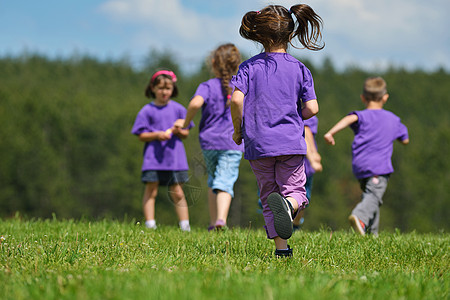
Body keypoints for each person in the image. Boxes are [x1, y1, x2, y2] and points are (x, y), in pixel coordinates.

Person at [230, 4, 324, 257]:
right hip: (290, 142)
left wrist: (238, 130)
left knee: (268, 196)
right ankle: (289, 204)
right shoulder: (299, 68)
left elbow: (236, 100)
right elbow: (313, 109)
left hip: (258, 144)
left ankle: (282, 250)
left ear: (260, 35)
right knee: (296, 193)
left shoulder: (249, 67)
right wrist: (295, 115)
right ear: (291, 34)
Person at [324, 76, 409, 235]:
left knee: (372, 197)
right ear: (385, 97)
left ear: (363, 98)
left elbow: (349, 118)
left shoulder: (361, 116)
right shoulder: (393, 119)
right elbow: (405, 140)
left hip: (360, 166)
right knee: (373, 197)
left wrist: (330, 133)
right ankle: (360, 217)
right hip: (379, 168)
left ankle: (371, 235)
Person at [174, 44, 243, 231]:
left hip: (209, 143)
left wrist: (186, 122)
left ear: (213, 63)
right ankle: (221, 220)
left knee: (214, 181)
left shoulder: (207, 86)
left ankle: (213, 224)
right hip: (232, 143)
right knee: (225, 182)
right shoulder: (240, 86)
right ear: (237, 64)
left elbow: (195, 103)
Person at [131, 70, 194, 232]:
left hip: (175, 159)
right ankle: (150, 224)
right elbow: (141, 135)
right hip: (154, 159)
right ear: (152, 88)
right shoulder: (147, 111)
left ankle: (185, 226)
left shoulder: (179, 109)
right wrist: (157, 135)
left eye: (168, 88)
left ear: (173, 89)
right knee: (151, 191)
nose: (164, 92)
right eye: (160, 88)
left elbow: (186, 132)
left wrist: (179, 131)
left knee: (178, 192)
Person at [293, 116, 323, 230]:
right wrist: (312, 158)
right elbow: (305, 134)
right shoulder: (306, 110)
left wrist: (314, 154)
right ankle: (294, 225)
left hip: (301, 162)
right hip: (303, 164)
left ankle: (294, 224)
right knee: (302, 197)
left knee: (302, 198)